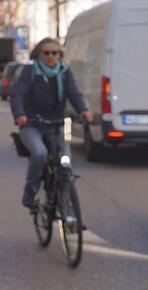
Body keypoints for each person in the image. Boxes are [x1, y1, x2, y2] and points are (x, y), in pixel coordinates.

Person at [10, 38, 93, 211]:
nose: (50, 56)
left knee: (65, 162)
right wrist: (20, 115)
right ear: (39, 54)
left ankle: (70, 213)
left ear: (59, 55)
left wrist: (83, 110)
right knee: (40, 154)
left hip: (61, 123)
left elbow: (74, 93)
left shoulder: (64, 71)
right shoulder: (30, 71)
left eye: (54, 53)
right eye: (46, 53)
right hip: (32, 124)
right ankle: (30, 193)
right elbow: (17, 94)